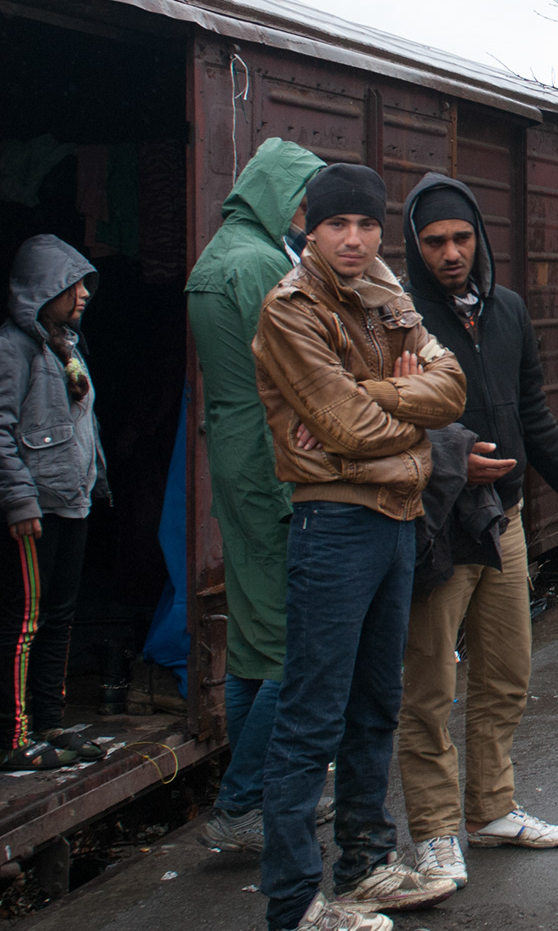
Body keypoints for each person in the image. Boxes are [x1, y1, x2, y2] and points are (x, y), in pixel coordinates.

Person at [252, 163, 468, 931]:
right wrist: (405, 414)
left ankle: (366, 867)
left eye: (367, 224)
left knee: (376, 705)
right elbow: (343, 426)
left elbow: (452, 388)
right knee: (312, 718)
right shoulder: (291, 308)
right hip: (335, 522)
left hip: (396, 518)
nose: (354, 238)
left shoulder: (386, 293)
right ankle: (293, 904)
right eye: (338, 224)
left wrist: (371, 393)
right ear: (310, 227)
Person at [396, 173, 558, 890]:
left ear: (480, 239)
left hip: (506, 518)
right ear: (415, 246)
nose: (451, 253)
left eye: (462, 238)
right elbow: (384, 421)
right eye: (435, 242)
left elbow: (532, 413)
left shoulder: (509, 311)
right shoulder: (401, 320)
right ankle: (434, 833)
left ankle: (491, 809)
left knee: (505, 673)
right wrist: (451, 460)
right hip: (437, 524)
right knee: (429, 686)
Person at [186, 138, 325, 849]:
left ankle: (259, 796)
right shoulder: (264, 265)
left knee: (251, 644)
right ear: (280, 196)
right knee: (292, 647)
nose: (309, 218)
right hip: (270, 460)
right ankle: (244, 804)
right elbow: (297, 368)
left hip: (233, 453)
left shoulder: (216, 258)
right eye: (305, 202)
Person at [0, 235, 110, 771]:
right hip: (35, 510)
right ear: (45, 289)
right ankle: (13, 736)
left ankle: (48, 722)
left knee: (60, 617)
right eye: (74, 285)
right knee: (24, 622)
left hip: (71, 502)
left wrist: (95, 480)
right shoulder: (13, 347)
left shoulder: (65, 345)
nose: (84, 294)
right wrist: (19, 500)